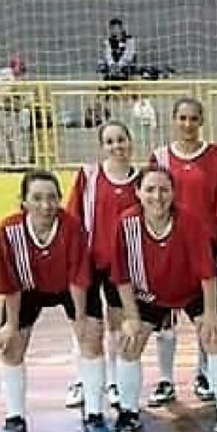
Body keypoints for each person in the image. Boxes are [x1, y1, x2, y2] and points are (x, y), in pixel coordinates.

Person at [110, 167, 217, 432]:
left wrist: (210, 313)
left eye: (164, 190)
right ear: (137, 193)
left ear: (173, 193)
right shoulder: (126, 224)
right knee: (129, 343)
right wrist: (131, 318)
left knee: (214, 337)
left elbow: (207, 273)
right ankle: (128, 413)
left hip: (191, 291)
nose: (158, 196)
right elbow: (121, 277)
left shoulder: (189, 222)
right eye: (150, 190)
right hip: (149, 294)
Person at [0, 170, 101, 432]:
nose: (46, 205)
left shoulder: (72, 227)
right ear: (24, 202)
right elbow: (9, 282)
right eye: (37, 198)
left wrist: (80, 319)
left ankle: (94, 415)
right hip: (28, 288)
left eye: (52, 198)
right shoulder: (9, 231)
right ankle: (14, 418)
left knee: (91, 339)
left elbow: (79, 278)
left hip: (69, 286)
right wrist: (11, 325)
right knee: (11, 347)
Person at [146, 97, 217, 407]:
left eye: (193, 118)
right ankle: (165, 379)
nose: (188, 124)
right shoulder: (160, 157)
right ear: (174, 120)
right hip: (167, 248)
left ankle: (205, 373)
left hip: (207, 250)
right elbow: (149, 202)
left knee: (209, 316)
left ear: (201, 121)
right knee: (163, 317)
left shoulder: (216, 156)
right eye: (182, 118)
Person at [63, 121, 140, 413]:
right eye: (109, 141)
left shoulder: (140, 181)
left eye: (121, 139)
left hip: (123, 266)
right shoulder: (89, 175)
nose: (116, 146)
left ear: (130, 142)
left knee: (119, 324)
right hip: (89, 261)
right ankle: (83, 380)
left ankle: (115, 382)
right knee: (85, 323)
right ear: (102, 147)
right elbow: (72, 216)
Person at [0, 54, 29, 165]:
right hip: (5, 111)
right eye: (20, 68)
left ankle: (8, 162)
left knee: (4, 138)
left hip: (3, 111)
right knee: (14, 138)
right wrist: (21, 101)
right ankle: (17, 162)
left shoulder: (4, 76)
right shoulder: (7, 77)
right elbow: (6, 95)